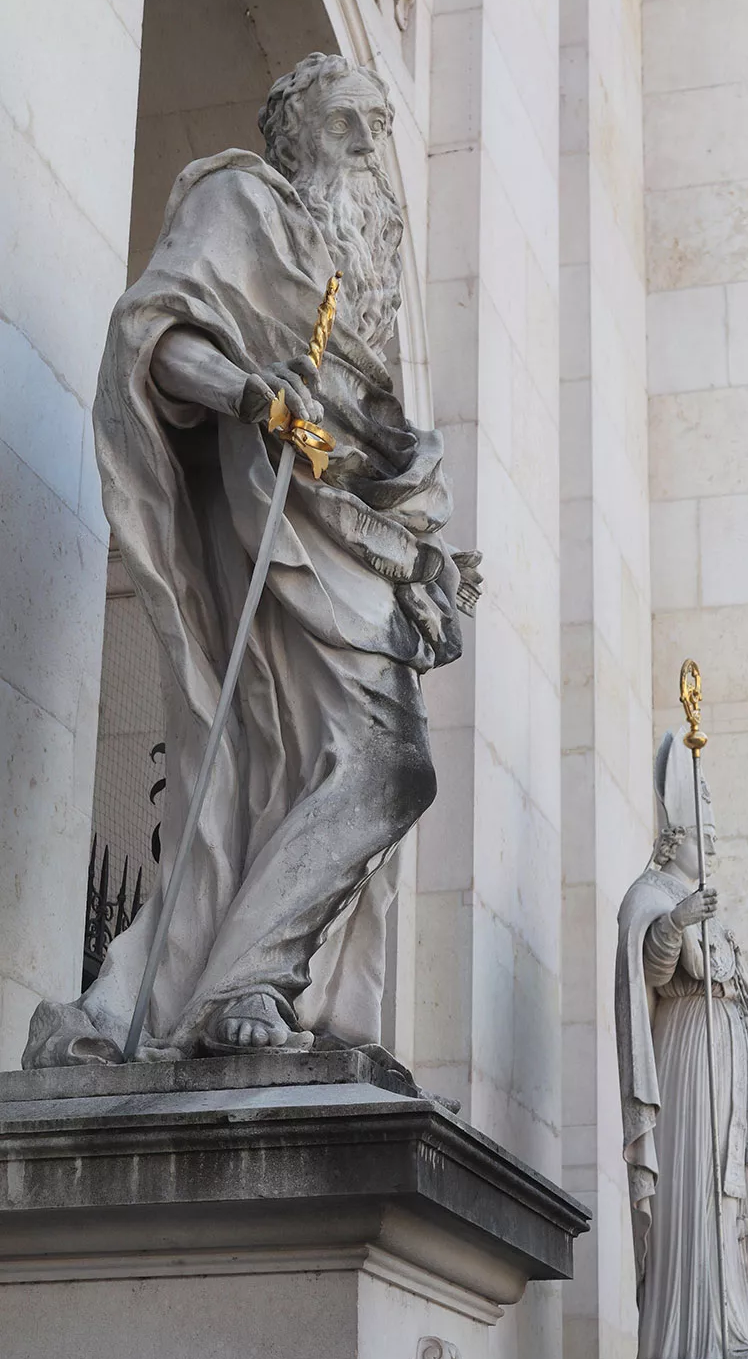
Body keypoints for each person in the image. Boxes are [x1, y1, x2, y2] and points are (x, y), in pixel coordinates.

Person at [24, 54, 480, 1067]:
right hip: (268, 523)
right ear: (295, 127)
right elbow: (154, 336)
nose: (370, 151)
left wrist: (419, 560)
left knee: (362, 770)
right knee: (385, 766)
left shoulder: (352, 282)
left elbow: (375, 442)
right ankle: (244, 985)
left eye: (379, 131)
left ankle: (247, 983)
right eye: (349, 126)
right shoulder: (243, 206)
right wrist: (250, 392)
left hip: (343, 540)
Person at [616, 731, 748, 1359]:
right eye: (702, 837)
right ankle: (688, 1335)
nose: (711, 846)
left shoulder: (713, 909)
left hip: (727, 1060)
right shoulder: (651, 894)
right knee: (691, 1180)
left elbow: (732, 996)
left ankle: (730, 1325)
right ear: (674, 839)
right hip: (687, 1059)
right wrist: (676, 923)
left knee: (726, 1186)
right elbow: (649, 975)